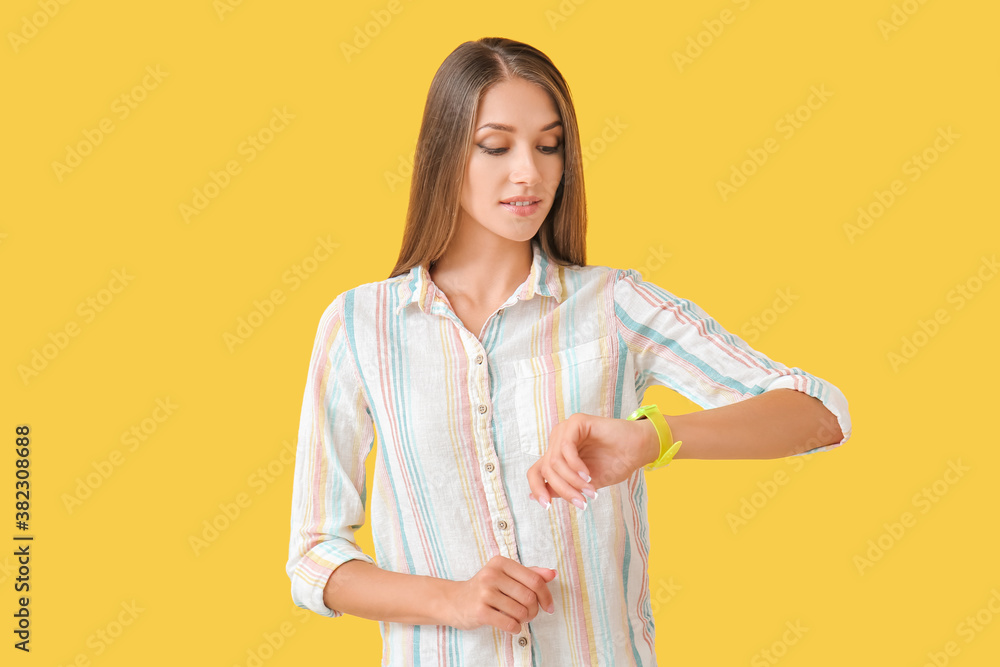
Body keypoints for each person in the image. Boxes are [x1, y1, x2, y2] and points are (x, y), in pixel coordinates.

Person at [286, 36, 851, 666]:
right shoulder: (360, 326)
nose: (528, 172)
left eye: (548, 146)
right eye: (495, 147)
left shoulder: (613, 306)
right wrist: (453, 600)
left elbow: (819, 414)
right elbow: (314, 557)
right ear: (444, 155)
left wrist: (651, 438)